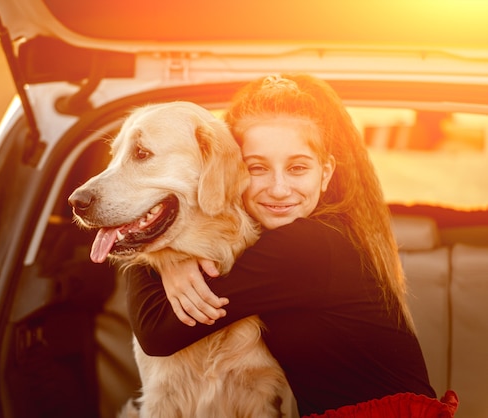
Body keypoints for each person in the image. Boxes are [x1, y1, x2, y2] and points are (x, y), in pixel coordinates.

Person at [124, 74, 458, 417]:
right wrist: (169, 254)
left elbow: (157, 333)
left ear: (325, 173)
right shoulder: (300, 237)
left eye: (297, 168)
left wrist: (152, 249)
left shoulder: (309, 245)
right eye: (257, 168)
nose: (279, 188)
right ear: (230, 171)